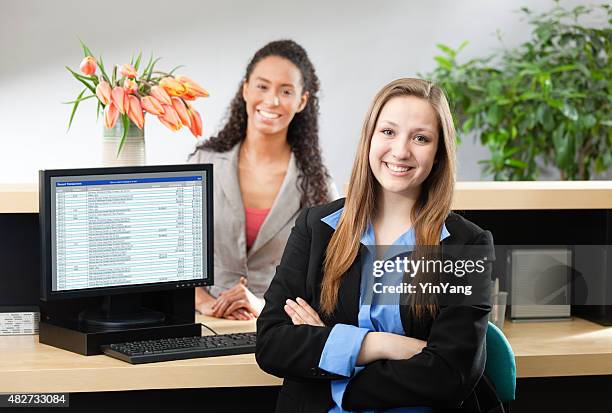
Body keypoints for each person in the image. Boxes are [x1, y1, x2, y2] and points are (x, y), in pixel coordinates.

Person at [256, 78, 499, 412]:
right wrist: (385, 344)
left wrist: (336, 355)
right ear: (369, 139)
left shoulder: (464, 244)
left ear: (440, 153)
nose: (401, 151)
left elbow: (448, 374)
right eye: (388, 132)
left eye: (421, 138)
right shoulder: (317, 228)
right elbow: (273, 343)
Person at [188, 40, 338, 320]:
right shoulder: (203, 162)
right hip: (203, 319)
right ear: (245, 88)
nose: (272, 100)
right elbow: (176, 256)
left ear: (302, 100)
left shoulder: (318, 186)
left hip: (278, 325)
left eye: (286, 91)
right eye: (262, 86)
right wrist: (204, 303)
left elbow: (328, 279)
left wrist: (263, 307)